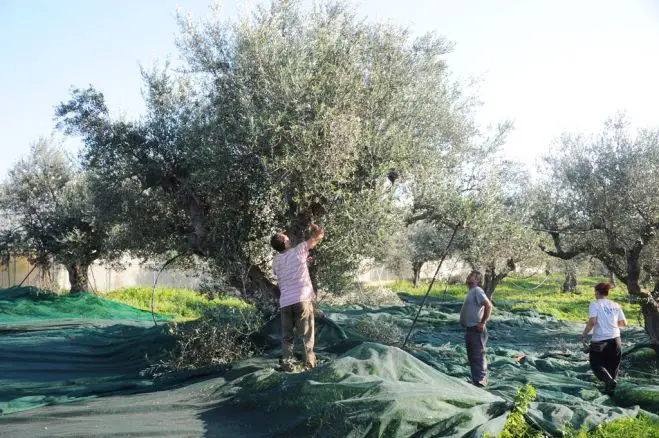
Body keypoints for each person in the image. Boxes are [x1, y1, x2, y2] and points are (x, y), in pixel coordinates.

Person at [270, 223, 325, 370]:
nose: (288, 237)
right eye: (286, 237)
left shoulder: (276, 261)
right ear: (286, 242)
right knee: (306, 336)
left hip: (285, 303)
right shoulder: (299, 250)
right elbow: (319, 235)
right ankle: (309, 365)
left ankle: (288, 365)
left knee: (287, 337)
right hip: (301, 300)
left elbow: (284, 269)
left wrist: (303, 262)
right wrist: (315, 227)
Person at [581, 282, 627, 394]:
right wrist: (611, 324)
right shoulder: (615, 305)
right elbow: (623, 323)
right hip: (616, 340)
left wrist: (584, 334)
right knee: (613, 367)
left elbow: (592, 321)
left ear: (597, 292)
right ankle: (610, 392)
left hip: (599, 340)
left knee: (596, 365)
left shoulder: (595, 304)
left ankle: (609, 381)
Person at [459, 270, 493, 387]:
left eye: (472, 276)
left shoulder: (477, 291)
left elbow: (488, 305)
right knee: (472, 356)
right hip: (470, 329)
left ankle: (481, 381)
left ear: (478, 280)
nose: (468, 276)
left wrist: (482, 323)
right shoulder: (471, 292)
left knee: (478, 355)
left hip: (476, 329)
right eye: (468, 275)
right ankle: (476, 380)